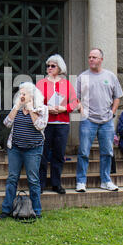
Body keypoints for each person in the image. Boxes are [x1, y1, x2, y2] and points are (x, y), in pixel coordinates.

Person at [75, 48, 123, 192]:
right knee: (84, 151)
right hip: (88, 120)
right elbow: (75, 97)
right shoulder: (82, 77)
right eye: (89, 57)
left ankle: (105, 180)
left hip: (106, 121)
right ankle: (81, 181)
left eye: (94, 57)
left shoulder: (110, 76)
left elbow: (117, 96)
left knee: (107, 152)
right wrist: (81, 110)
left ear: (101, 59)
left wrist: (113, 112)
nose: (91, 59)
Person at [0, 82, 48, 219]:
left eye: (24, 94)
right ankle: (6, 209)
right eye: (20, 93)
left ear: (31, 95)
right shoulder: (17, 108)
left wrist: (31, 109)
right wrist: (17, 107)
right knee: (12, 178)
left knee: (33, 179)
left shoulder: (42, 109)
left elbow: (40, 126)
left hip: (33, 149)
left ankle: (37, 211)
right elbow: (7, 123)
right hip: (15, 148)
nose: (21, 96)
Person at [36, 54, 78, 194]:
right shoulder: (41, 83)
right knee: (42, 153)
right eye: (48, 66)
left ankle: (56, 183)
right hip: (46, 123)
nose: (49, 68)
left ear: (59, 68)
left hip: (62, 123)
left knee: (59, 154)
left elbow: (74, 102)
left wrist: (63, 108)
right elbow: (36, 102)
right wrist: (47, 108)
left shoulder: (66, 84)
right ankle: (40, 183)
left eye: (53, 66)